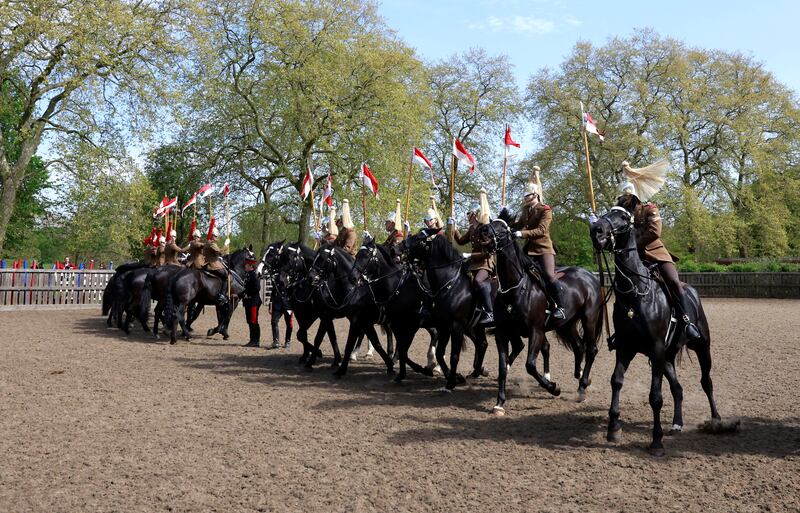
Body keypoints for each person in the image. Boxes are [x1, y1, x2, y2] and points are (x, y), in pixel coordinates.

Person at [616, 181, 701, 340]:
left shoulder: (650, 209)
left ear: (636, 198)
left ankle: (687, 322)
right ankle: (621, 329)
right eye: (624, 198)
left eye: (629, 198)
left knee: (674, 282)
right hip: (635, 259)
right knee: (621, 286)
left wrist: (634, 244)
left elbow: (655, 232)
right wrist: (597, 225)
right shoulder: (623, 214)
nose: (626, 201)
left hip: (656, 254)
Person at [510, 182, 565, 320]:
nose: (524, 198)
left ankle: (561, 306)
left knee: (549, 275)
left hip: (543, 249)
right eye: (524, 196)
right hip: (529, 250)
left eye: (527, 195)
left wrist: (521, 234)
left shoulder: (545, 209)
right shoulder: (525, 210)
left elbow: (541, 230)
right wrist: (505, 219)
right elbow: (517, 225)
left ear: (535, 194)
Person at [453, 190, 495, 325]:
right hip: (473, 263)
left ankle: (489, 311)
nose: (467, 216)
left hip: (485, 263)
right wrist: (454, 228)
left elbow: (487, 253)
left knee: (478, 281)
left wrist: (469, 254)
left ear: (475, 215)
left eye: (469, 214)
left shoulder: (485, 229)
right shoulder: (471, 229)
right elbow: (460, 241)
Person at [202, 226, 230, 304]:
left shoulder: (208, 242)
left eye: (216, 236)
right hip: (213, 265)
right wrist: (226, 244)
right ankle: (222, 295)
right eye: (215, 236)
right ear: (211, 235)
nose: (216, 238)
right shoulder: (211, 243)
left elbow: (216, 254)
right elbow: (220, 252)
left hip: (209, 263)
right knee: (226, 275)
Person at [242, 256, 262, 347]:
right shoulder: (248, 275)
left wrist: (248, 294)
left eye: (246, 264)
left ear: (250, 265)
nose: (244, 266)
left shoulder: (254, 275)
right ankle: (252, 340)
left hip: (253, 302)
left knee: (254, 321)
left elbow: (257, 287)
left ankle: (256, 341)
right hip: (248, 302)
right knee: (250, 321)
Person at [269, 281, 293, 349]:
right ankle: (276, 340)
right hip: (277, 306)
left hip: (288, 307)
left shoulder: (291, 282)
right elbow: (272, 295)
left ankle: (287, 341)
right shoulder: (276, 282)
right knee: (274, 321)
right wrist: (270, 307)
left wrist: (293, 307)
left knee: (289, 324)